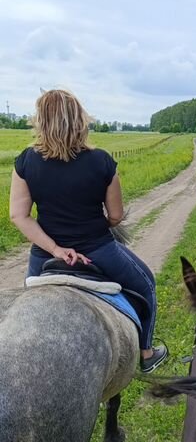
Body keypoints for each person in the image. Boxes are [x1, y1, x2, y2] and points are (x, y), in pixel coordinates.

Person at [9, 89, 168, 373]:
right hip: (98, 249)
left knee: (21, 309)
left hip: (44, 255)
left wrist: (56, 249)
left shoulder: (26, 162)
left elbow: (19, 216)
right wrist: (96, 224)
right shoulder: (102, 162)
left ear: (40, 122)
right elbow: (116, 216)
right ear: (80, 120)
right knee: (146, 285)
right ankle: (145, 353)